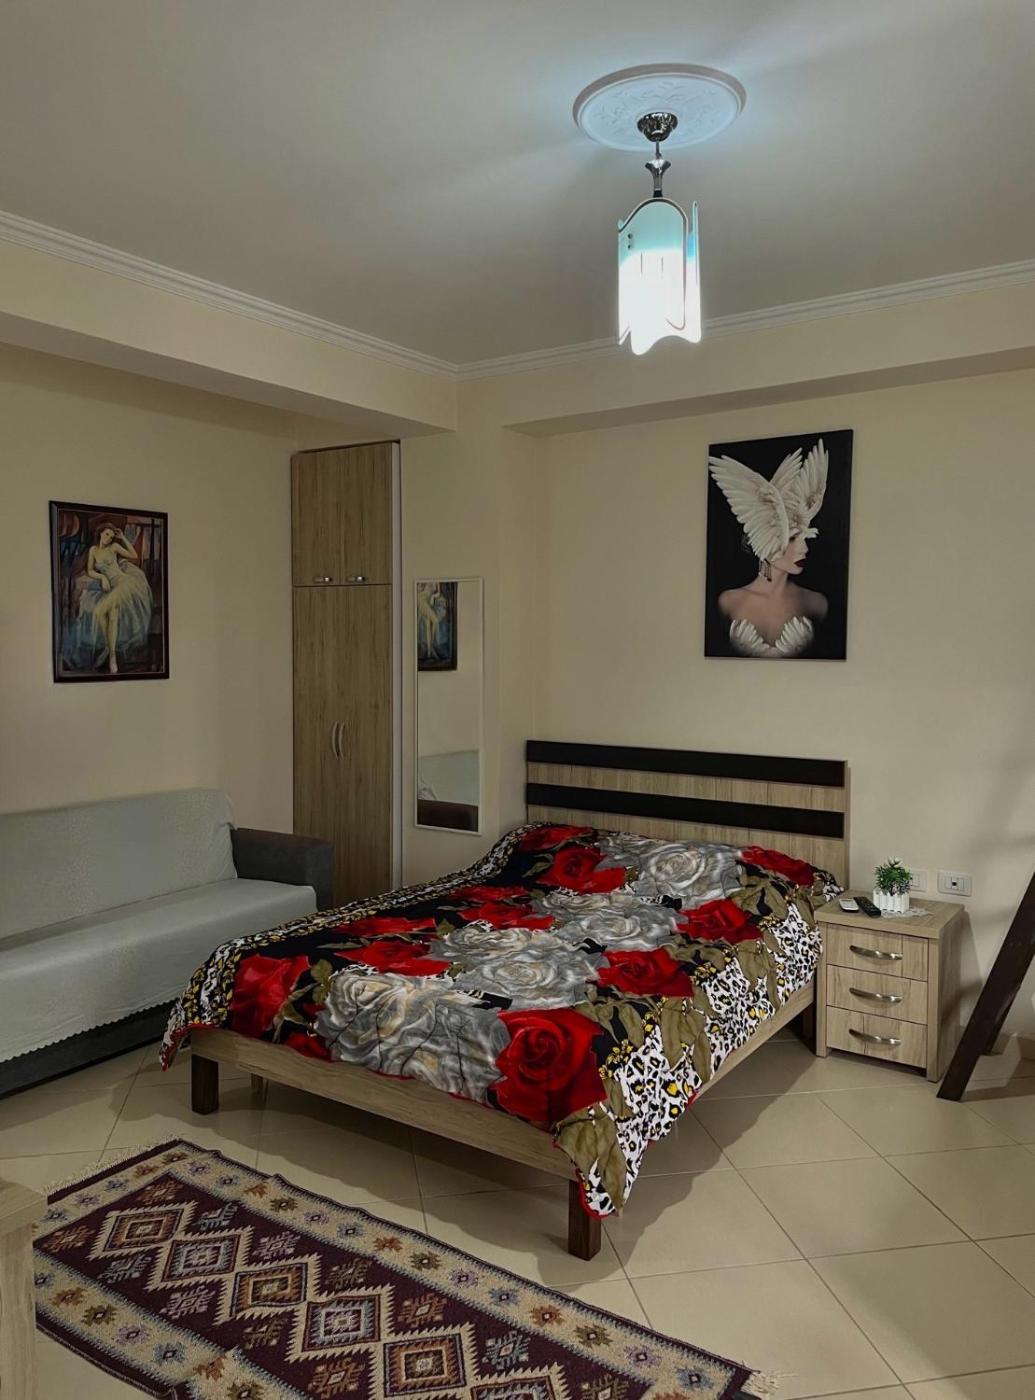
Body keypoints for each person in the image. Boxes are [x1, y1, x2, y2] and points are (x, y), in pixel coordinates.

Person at [708, 440, 829, 659]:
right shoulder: (728, 602)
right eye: (792, 538)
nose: (804, 549)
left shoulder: (817, 604)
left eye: (804, 538)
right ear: (763, 535)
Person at [66, 522, 153, 674]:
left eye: (111, 537)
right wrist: (102, 577)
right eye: (106, 534)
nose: (108, 538)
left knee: (98, 611)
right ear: (100, 533)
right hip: (111, 587)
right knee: (112, 615)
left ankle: (110, 652)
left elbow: (134, 555)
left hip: (124, 583)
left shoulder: (113, 548)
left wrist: (123, 538)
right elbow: (90, 570)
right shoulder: (93, 550)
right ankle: (110, 651)